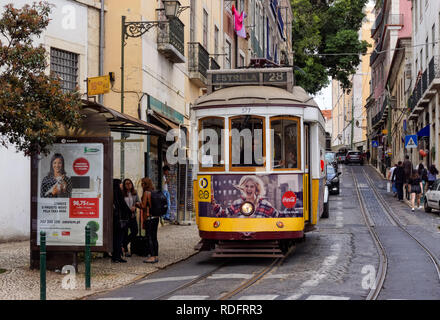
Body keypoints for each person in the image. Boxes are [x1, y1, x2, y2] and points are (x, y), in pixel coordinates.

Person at [212, 175, 279, 217]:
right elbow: (223, 215)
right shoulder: (237, 203)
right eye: (246, 186)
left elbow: (278, 216)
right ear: (243, 188)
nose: (249, 189)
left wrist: (289, 210)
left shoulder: (265, 204)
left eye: (252, 186)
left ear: (256, 189)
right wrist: (214, 205)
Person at [112, 179, 131, 263]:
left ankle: (116, 256)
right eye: (120, 184)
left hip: (115, 219)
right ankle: (117, 256)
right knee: (119, 239)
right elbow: (123, 205)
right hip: (120, 219)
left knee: (116, 238)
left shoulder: (112, 193)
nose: (122, 185)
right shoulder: (118, 193)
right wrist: (129, 212)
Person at [141, 177, 159, 264]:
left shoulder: (146, 193)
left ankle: (152, 257)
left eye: (142, 183)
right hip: (156, 218)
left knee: (149, 237)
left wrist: (137, 204)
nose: (141, 185)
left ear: (145, 184)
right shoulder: (154, 192)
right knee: (154, 237)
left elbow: (143, 206)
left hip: (149, 218)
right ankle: (156, 256)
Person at [122, 178, 141, 257]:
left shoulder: (135, 193)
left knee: (135, 231)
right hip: (125, 216)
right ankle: (126, 251)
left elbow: (138, 202)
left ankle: (124, 244)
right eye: (126, 183)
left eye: (129, 183)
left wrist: (135, 206)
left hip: (132, 215)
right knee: (125, 233)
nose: (128, 185)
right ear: (124, 185)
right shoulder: (122, 193)